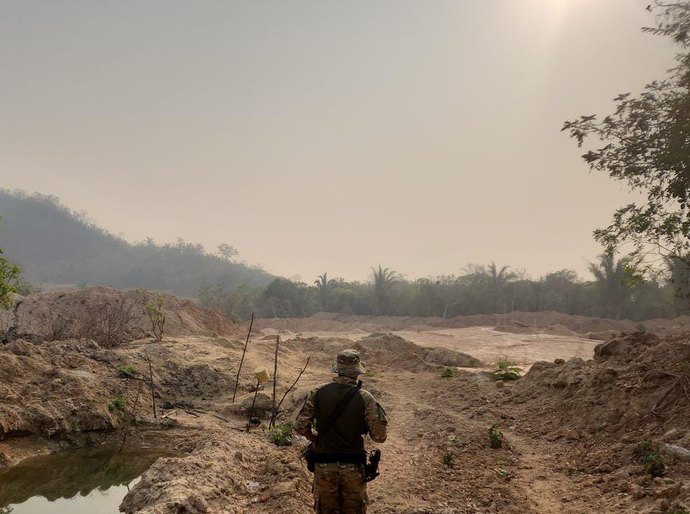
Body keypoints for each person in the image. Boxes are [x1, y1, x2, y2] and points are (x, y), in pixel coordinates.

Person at [295, 349, 387, 514]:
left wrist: (314, 437)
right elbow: (379, 437)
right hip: (353, 467)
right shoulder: (365, 398)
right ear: (357, 372)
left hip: (323, 465)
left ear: (337, 369)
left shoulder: (318, 392)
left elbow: (300, 426)